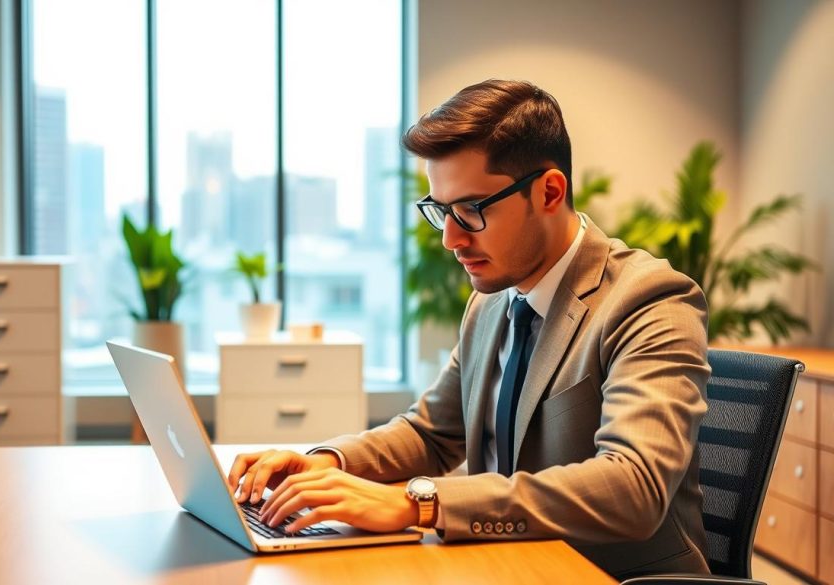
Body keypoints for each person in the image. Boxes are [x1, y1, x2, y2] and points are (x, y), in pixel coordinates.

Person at [226, 79, 710, 579]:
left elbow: (633, 487)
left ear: (549, 191)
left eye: (472, 210)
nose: (451, 240)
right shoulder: (492, 301)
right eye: (442, 212)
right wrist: (329, 463)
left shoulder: (648, 300)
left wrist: (423, 503)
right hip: (505, 566)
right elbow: (431, 433)